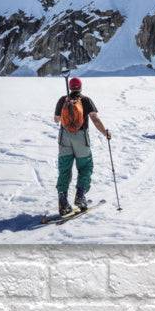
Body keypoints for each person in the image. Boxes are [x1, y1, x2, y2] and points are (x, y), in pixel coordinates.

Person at [54, 76, 110, 215]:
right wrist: (105, 132)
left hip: (64, 137)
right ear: (80, 87)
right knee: (85, 166)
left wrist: (67, 112)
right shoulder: (85, 100)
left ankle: (63, 201)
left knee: (64, 168)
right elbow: (95, 119)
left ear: (71, 87)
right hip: (81, 138)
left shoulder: (62, 100)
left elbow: (56, 120)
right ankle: (80, 196)